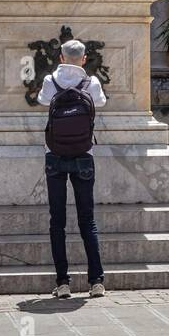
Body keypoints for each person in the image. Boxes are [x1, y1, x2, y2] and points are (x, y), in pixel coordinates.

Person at [37, 39, 108, 299]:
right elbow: (99, 103)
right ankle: (96, 282)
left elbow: (43, 101)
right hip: (83, 155)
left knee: (57, 221)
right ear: (84, 59)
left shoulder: (49, 81)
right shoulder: (92, 83)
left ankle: (63, 283)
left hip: (54, 155)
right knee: (87, 219)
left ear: (61, 58)